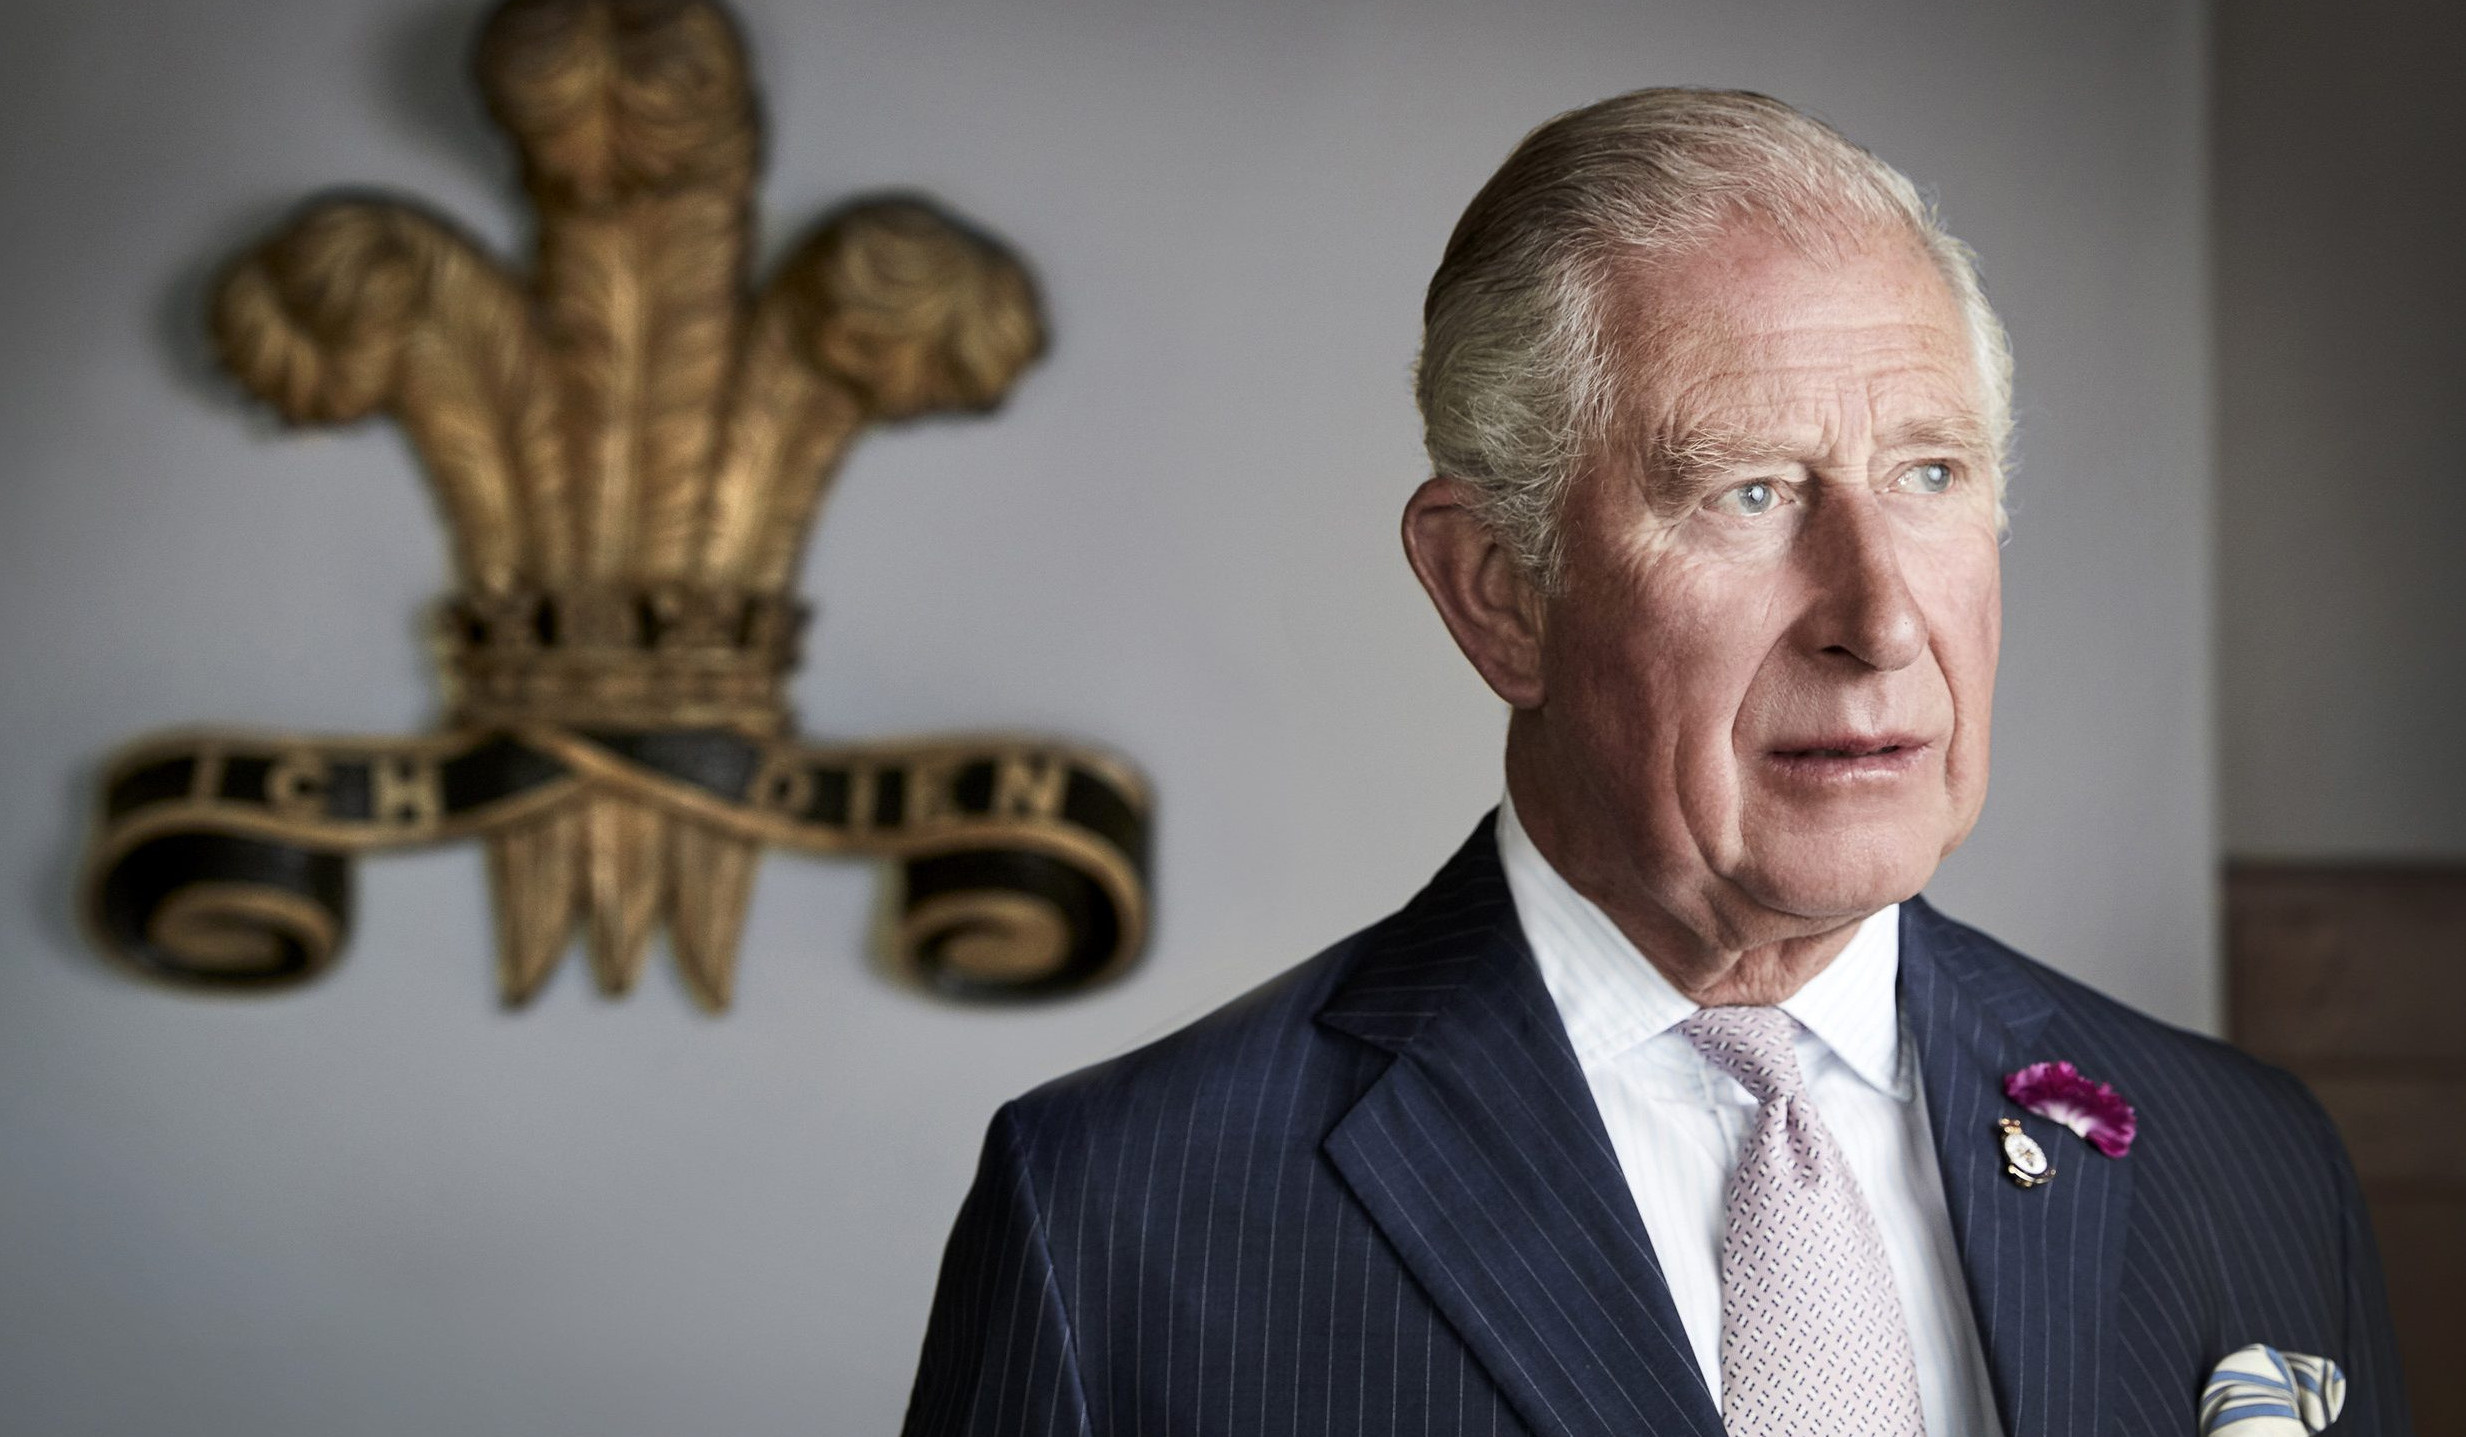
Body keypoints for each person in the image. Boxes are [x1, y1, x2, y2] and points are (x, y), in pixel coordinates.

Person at [901, 89, 2407, 1436]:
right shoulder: (1120, 1215)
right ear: (1499, 590)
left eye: (1930, 473)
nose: (1882, 619)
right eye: (1749, 492)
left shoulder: (2246, 1160)